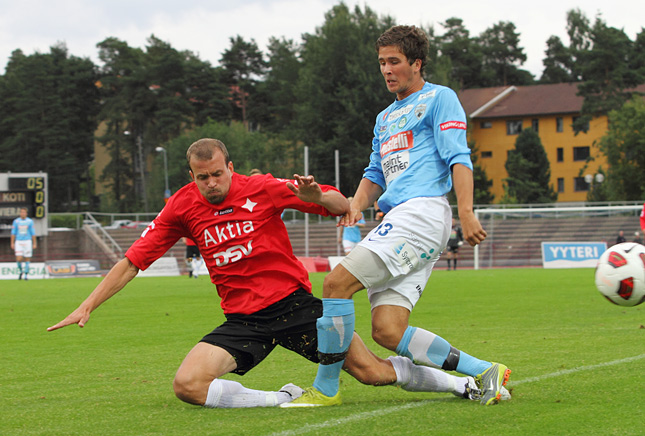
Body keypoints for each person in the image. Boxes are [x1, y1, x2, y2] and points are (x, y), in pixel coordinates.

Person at [48, 138, 487, 409]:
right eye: (203, 177)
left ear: (230, 167)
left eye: (218, 174)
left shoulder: (260, 188)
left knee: (371, 373)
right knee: (188, 385)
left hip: (297, 308)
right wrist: (87, 304)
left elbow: (340, 206)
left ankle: (461, 383)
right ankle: (283, 397)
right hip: (244, 321)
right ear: (192, 176)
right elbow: (132, 261)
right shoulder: (181, 205)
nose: (211, 183)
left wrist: (318, 194)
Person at [286, 25, 510, 408]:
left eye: (394, 62)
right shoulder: (384, 118)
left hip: (421, 214)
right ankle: (485, 370)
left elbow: (458, 157)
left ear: (416, 63)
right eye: (381, 63)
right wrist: (356, 204)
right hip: (401, 218)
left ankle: (325, 390)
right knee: (388, 331)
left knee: (336, 285)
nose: (387, 70)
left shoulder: (440, 98)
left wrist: (467, 212)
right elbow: (375, 172)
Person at [10, 207, 37, 280]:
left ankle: (26, 275)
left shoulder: (30, 221)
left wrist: (34, 243)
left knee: (27, 258)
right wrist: (12, 243)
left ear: (26, 213)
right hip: (19, 241)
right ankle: (21, 271)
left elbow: (33, 233)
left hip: (27, 241)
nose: (23, 213)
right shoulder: (16, 221)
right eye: (21, 212)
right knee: (19, 258)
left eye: (24, 212)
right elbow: (13, 233)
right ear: (20, 213)